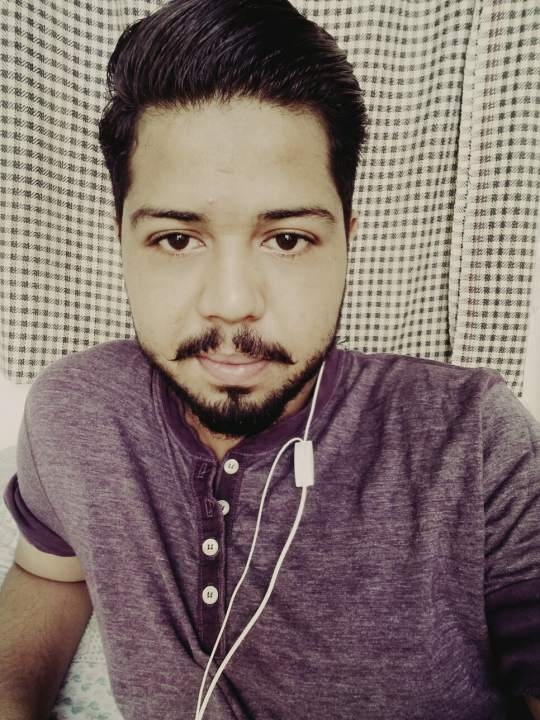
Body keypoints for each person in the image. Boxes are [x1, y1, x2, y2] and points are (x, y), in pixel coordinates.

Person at [1, 0, 539, 717]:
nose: (231, 303)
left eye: (287, 239)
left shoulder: (474, 437)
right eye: (176, 239)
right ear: (122, 238)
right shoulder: (75, 412)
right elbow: (48, 573)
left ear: (346, 241)